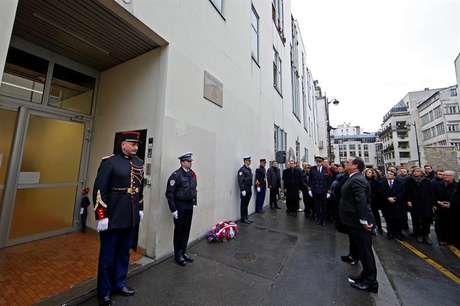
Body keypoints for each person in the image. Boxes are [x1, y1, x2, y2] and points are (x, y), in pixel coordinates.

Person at [93, 131, 144, 306]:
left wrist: (140, 208)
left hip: (130, 217)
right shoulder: (109, 162)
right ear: (123, 144)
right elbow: (100, 189)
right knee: (108, 256)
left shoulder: (139, 163)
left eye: (137, 144)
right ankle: (104, 292)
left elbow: (139, 189)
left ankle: (119, 283)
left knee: (123, 253)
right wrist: (101, 216)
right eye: (132, 144)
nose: (136, 147)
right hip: (113, 217)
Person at [339, 158, 378, 293]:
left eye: (348, 163)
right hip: (354, 222)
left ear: (355, 166)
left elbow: (361, 201)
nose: (345, 164)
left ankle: (371, 282)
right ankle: (364, 276)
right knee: (362, 251)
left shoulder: (357, 179)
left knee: (366, 253)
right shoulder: (354, 177)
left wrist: (364, 221)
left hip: (359, 222)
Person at [166, 153, 198, 266]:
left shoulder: (192, 174)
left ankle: (184, 252)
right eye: (188, 161)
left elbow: (195, 189)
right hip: (180, 206)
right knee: (179, 231)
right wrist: (173, 209)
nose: (190, 163)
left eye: (190, 161)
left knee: (186, 230)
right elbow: (169, 194)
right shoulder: (176, 175)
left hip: (189, 205)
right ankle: (177, 255)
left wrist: (194, 202)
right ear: (183, 162)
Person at [404, 167, 435, 245]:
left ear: (422, 172)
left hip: (426, 203)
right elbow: (406, 191)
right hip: (414, 203)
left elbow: (431, 192)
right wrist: (408, 200)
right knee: (416, 219)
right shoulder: (409, 181)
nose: (416, 172)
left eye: (418, 171)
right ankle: (418, 234)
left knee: (426, 219)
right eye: (415, 171)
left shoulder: (427, 181)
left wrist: (432, 203)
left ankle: (426, 235)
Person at [378, 169, 405, 240]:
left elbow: (402, 192)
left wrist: (395, 198)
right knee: (389, 220)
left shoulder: (399, 182)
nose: (388, 175)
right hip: (387, 204)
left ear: (394, 176)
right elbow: (381, 192)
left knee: (398, 220)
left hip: (397, 204)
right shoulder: (382, 183)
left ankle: (398, 233)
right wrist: (387, 198)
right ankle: (390, 233)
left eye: (390, 174)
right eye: (387, 174)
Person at [432, 170, 457, 246]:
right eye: (444, 175)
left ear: (453, 177)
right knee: (440, 225)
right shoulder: (436, 185)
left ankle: (452, 239)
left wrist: (451, 204)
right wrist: (437, 202)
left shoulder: (457, 186)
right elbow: (432, 196)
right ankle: (442, 239)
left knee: (452, 224)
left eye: (447, 175)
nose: (445, 176)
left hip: (453, 209)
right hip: (440, 209)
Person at [309, 156, 332, 225]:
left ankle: (323, 219)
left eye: (320, 162)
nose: (318, 163)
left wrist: (329, 191)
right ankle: (318, 218)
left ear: (322, 162)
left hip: (323, 190)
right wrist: (310, 189)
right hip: (315, 190)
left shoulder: (326, 169)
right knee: (317, 205)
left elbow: (329, 180)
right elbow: (310, 180)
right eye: (317, 162)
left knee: (324, 206)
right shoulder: (312, 169)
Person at [364, 168, 382, 234]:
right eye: (368, 172)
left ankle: (379, 228)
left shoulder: (375, 181)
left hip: (374, 201)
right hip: (366, 200)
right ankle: (370, 227)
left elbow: (378, 191)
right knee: (368, 215)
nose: (369, 173)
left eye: (370, 172)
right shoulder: (363, 181)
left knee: (376, 214)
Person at [237, 156, 253, 224]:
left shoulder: (249, 169)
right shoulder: (241, 170)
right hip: (245, 189)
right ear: (245, 161)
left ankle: (246, 217)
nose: (250, 161)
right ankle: (243, 218)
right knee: (243, 204)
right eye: (248, 160)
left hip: (249, 188)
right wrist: (242, 189)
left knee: (246, 204)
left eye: (250, 160)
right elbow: (240, 180)